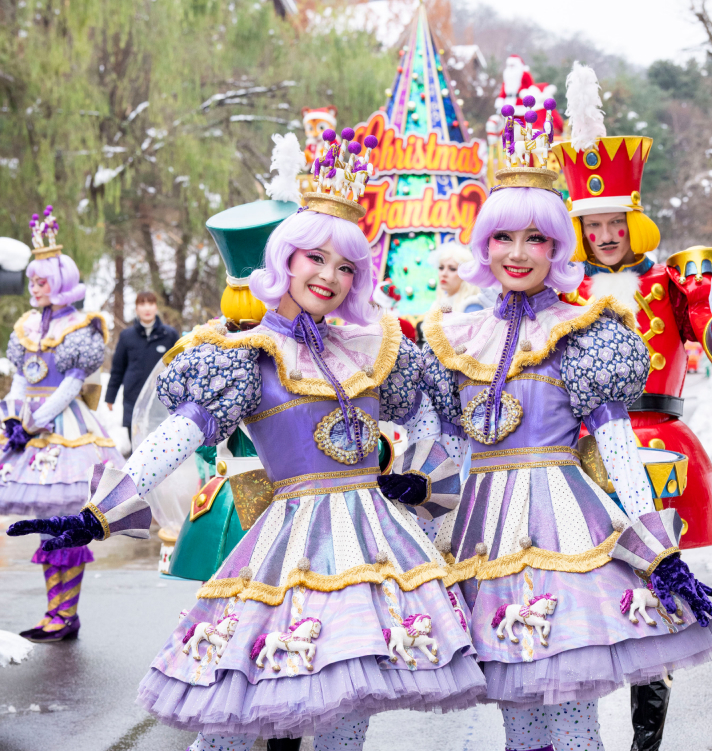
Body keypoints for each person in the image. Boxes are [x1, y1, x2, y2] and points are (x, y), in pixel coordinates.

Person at [8, 131, 483, 751]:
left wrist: (420, 479)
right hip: (290, 546)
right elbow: (181, 435)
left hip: (377, 547)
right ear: (284, 259)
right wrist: (99, 512)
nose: (331, 277)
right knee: (243, 715)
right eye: (316, 259)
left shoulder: (373, 347)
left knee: (352, 713)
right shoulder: (246, 356)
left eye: (345, 267)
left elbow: (432, 415)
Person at [420, 104, 712, 751]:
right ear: (483, 246)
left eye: (537, 239)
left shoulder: (584, 333)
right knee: (518, 720)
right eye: (503, 238)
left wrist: (654, 544)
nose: (518, 253)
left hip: (567, 531)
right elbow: (441, 455)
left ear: (559, 247)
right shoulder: (457, 335)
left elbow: (618, 451)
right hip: (481, 540)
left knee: (573, 723)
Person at [552, 63, 712, 751]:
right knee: (578, 599)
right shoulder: (560, 293)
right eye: (594, 224)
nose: (607, 233)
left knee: (658, 596)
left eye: (615, 221)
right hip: (576, 453)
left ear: (634, 220)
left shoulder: (671, 280)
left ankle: (647, 742)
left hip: (657, 447)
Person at [0, 206, 125, 642]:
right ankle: (55, 614)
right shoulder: (27, 325)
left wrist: (34, 422)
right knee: (43, 523)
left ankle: (63, 615)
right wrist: (14, 415)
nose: (33, 288)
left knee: (65, 523)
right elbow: (19, 377)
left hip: (65, 429)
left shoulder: (81, 326)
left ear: (61, 283)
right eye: (32, 281)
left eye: (41, 281)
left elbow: (72, 385)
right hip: (28, 429)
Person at [105, 291, 178, 442]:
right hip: (133, 398)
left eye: (150, 303)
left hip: (161, 400)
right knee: (137, 446)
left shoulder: (169, 335)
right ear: (136, 309)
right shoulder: (127, 336)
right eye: (142, 304)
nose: (147, 308)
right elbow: (118, 369)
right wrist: (110, 397)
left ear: (156, 307)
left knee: (162, 446)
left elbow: (180, 366)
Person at [430, 244, 483, 314]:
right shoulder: (437, 303)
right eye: (441, 268)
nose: (444, 274)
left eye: (452, 269)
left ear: (466, 274)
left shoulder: (472, 306)